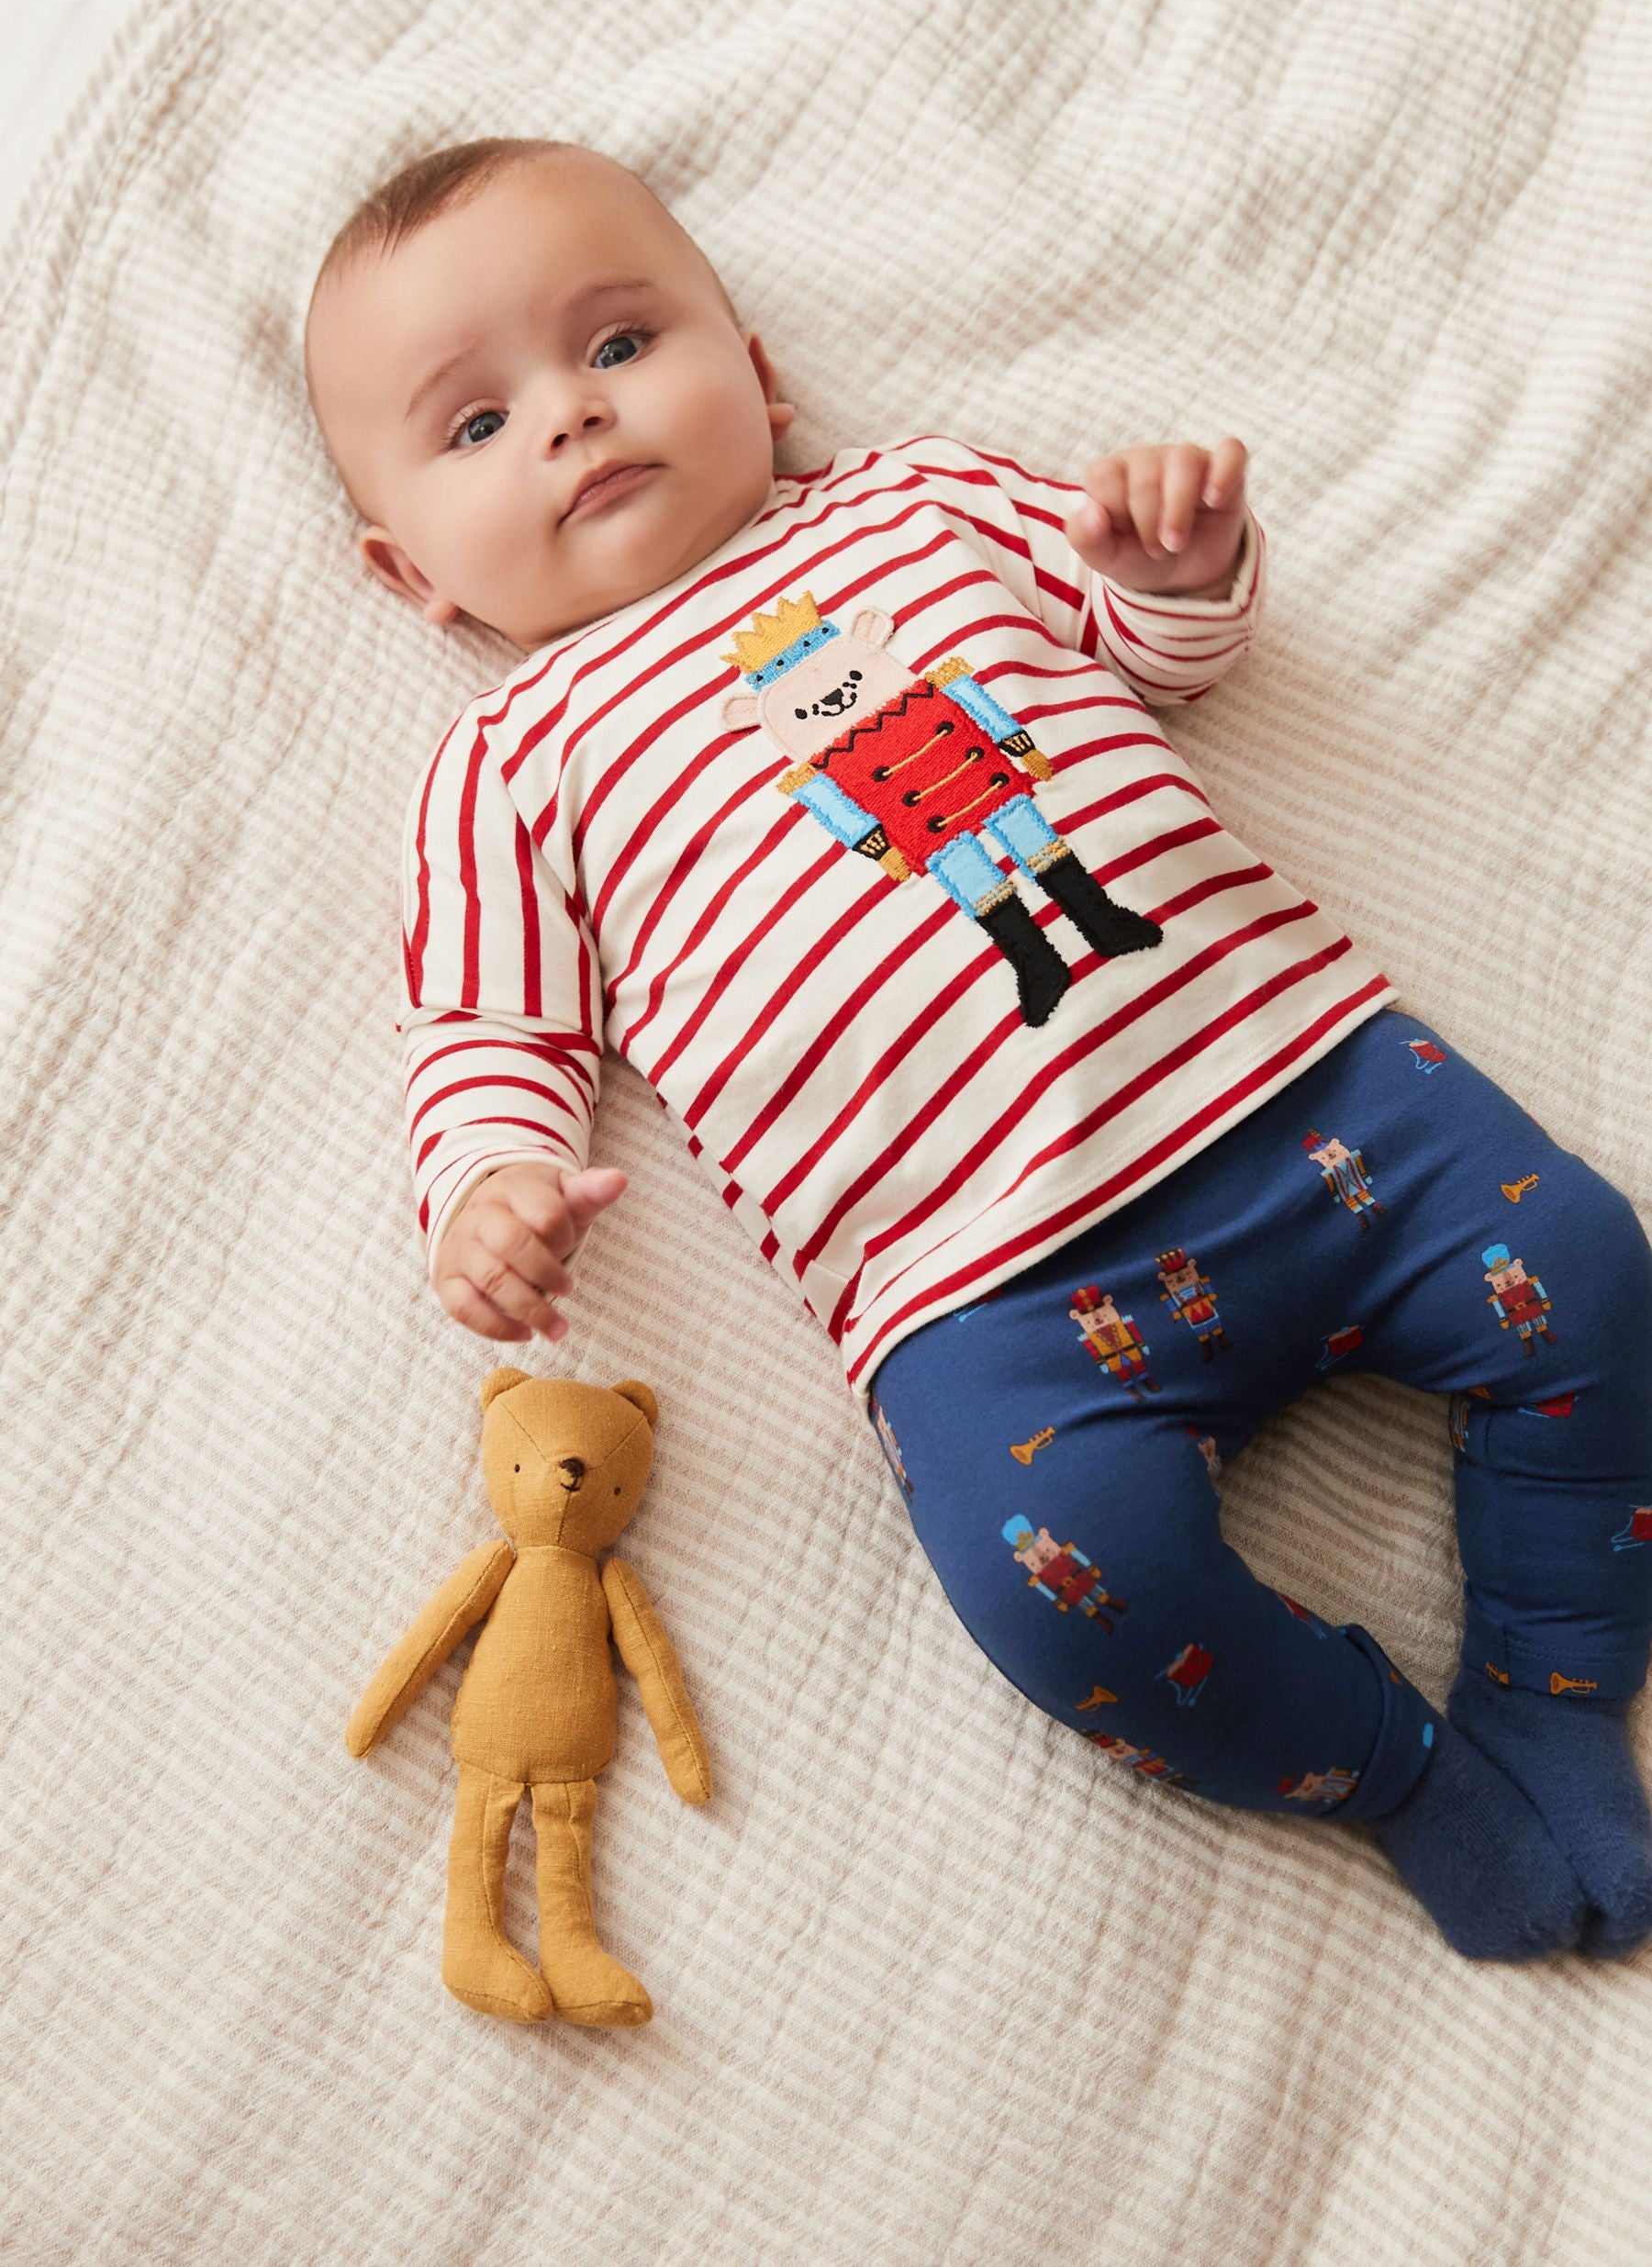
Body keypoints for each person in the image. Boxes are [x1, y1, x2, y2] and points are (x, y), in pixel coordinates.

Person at [304, 136, 1652, 1964]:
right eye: (473, 427)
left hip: (1304, 1083)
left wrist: (1179, 563)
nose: (570, 420)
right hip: (974, 1291)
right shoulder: (511, 759)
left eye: (621, 344)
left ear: (758, 374)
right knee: (1069, 1605)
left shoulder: (916, 504)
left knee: (1588, 1277)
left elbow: (1150, 646)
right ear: (410, 576)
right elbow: (484, 1018)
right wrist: (487, 1181)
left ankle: (1553, 1698)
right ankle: (1401, 1776)